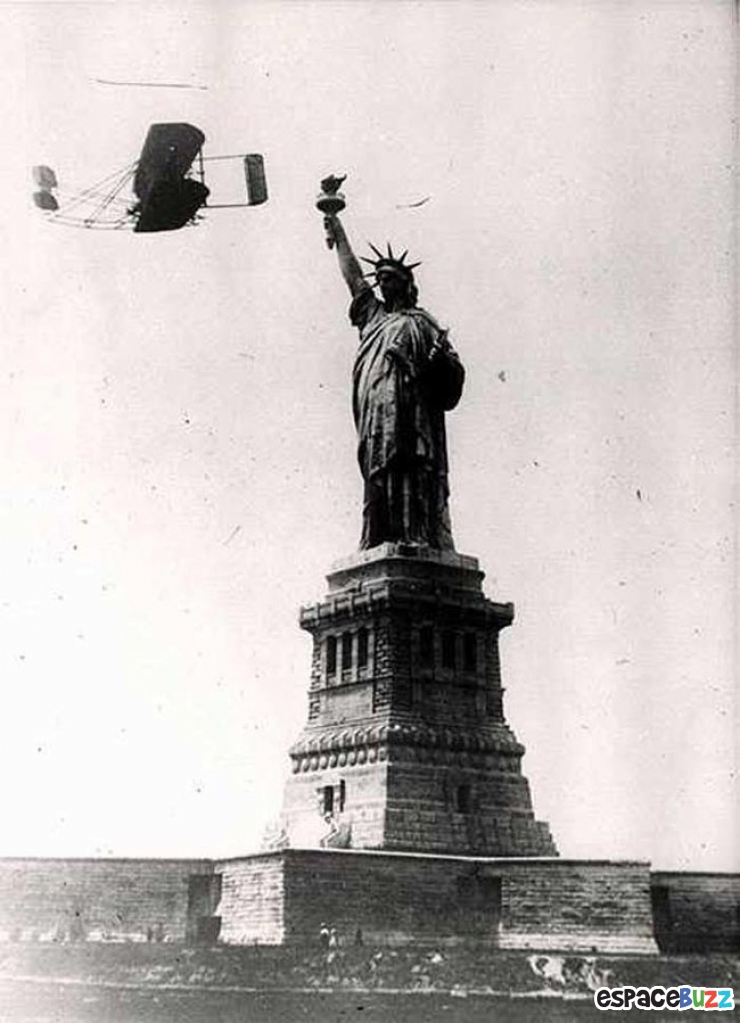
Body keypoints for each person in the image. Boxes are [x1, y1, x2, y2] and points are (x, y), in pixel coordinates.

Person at [324, 213, 464, 550]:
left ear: (405, 283)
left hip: (413, 410)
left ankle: (416, 533)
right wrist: (336, 227)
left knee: (411, 465)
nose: (383, 284)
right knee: (378, 467)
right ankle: (378, 535)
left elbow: (452, 371)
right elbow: (354, 277)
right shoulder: (373, 316)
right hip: (376, 411)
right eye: (380, 279)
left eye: (389, 278)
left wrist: (436, 363)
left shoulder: (423, 322)